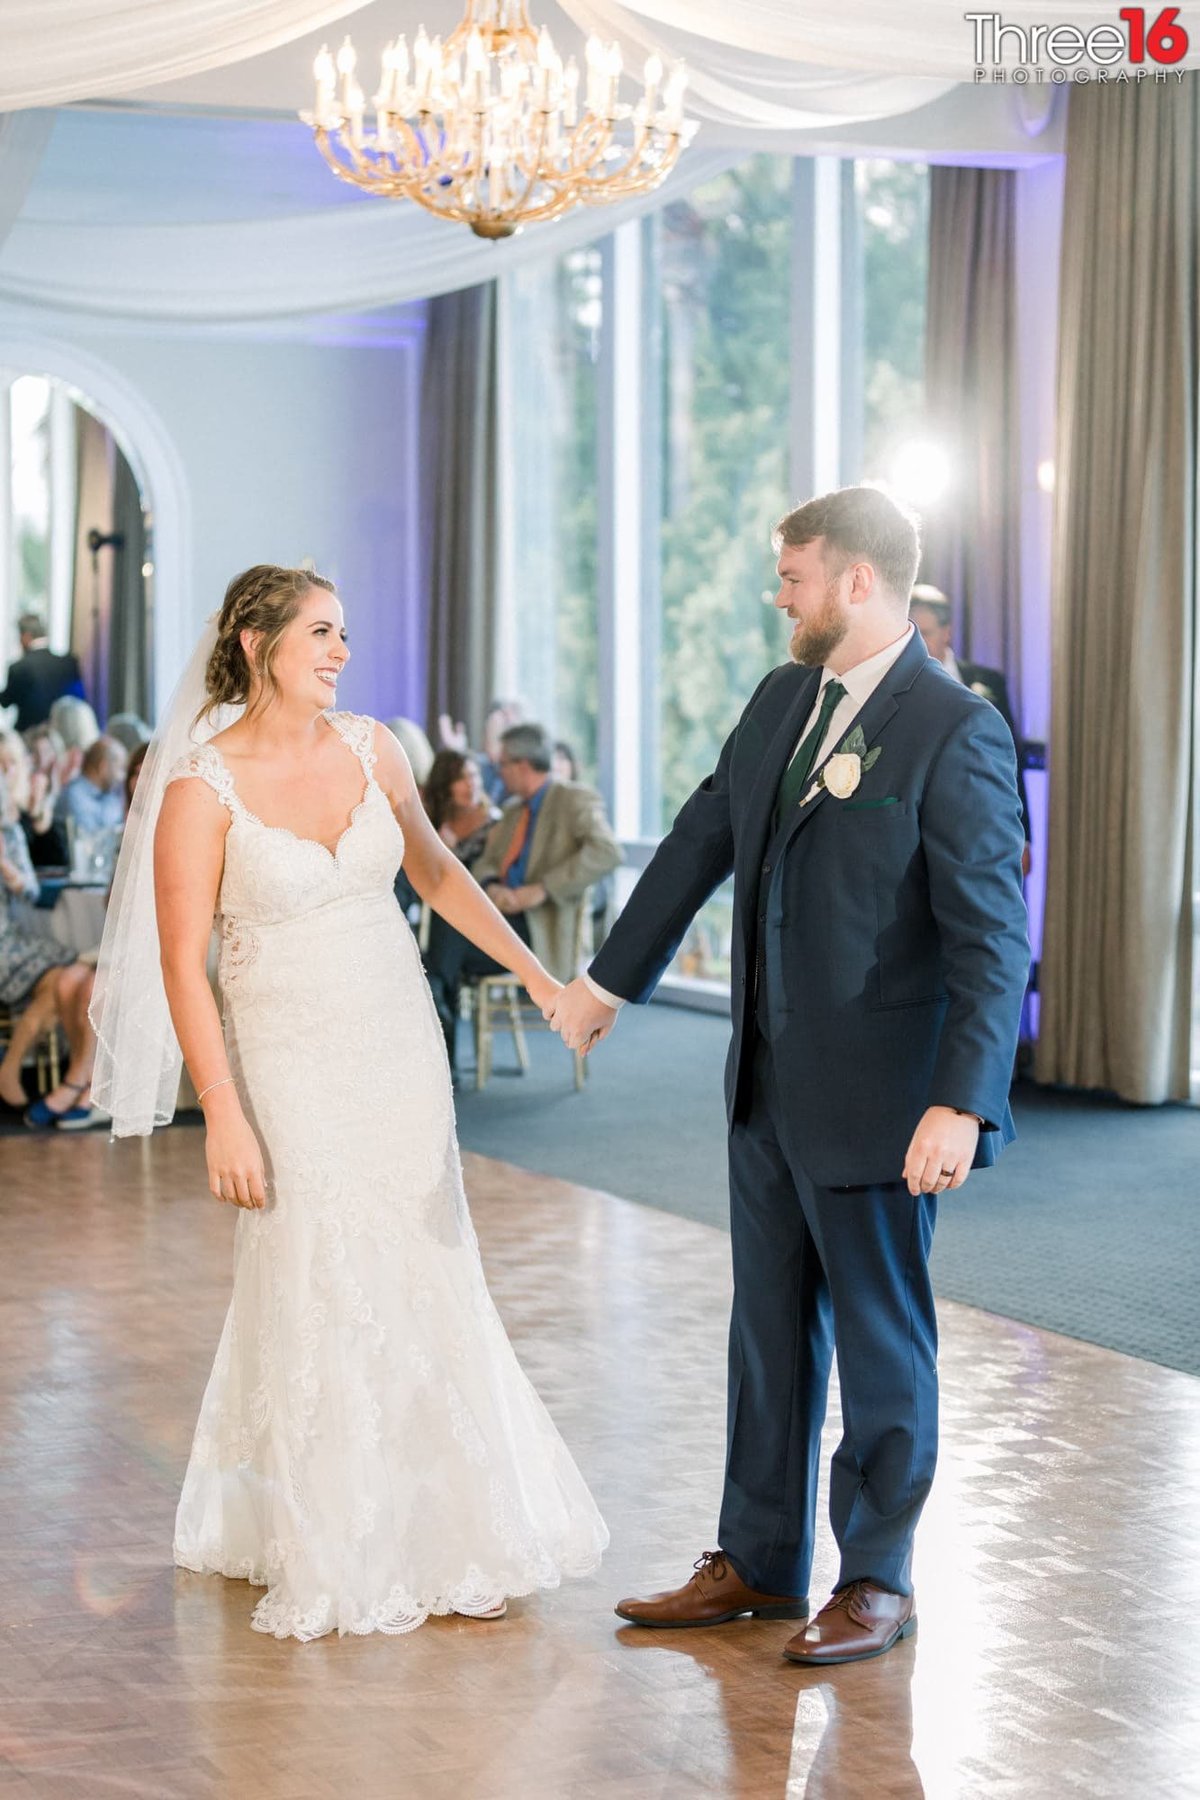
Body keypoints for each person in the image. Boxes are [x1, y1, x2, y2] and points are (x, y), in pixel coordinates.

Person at [549, 486, 1029, 1668]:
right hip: (762, 1089)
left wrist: (962, 1100)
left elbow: (991, 934)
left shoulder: (950, 727)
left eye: (794, 576)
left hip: (885, 1098)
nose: (781, 596)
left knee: (880, 1342)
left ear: (857, 583)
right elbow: (701, 838)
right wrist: (606, 986)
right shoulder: (781, 701)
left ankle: (877, 1578)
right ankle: (759, 1563)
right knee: (766, 1335)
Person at [89, 563, 607, 1641]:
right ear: (255, 645)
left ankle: (453, 1523)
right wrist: (222, 1110)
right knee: (318, 1261)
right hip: (288, 1061)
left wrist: (545, 981)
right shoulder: (200, 786)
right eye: (322, 633)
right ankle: (330, 1530)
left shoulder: (376, 748)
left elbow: (438, 877)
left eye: (344, 634)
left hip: (396, 1047)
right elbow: (185, 964)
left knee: (426, 1263)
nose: (342, 652)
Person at [424, 723, 621, 1074]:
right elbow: (485, 862)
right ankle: (439, 1022)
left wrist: (542, 889)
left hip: (537, 931)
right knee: (450, 933)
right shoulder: (513, 811)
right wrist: (493, 883)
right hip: (502, 921)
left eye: (501, 765)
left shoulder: (573, 799)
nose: (496, 773)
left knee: (446, 941)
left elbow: (608, 852)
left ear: (521, 765)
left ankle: (436, 1016)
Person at [0, 760, 100, 1128]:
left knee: (66, 973)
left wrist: (5, 866)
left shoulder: (7, 831)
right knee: (66, 973)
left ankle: (24, 1070)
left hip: (5, 941)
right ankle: (64, 1079)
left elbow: (31, 890)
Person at [909, 585, 1032, 873]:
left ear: (946, 632)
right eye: (910, 632)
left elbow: (1011, 762)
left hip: (983, 829)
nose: (916, 642)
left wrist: (1023, 836)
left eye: (924, 633)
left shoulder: (987, 683)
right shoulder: (896, 687)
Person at [0, 612, 85, 733]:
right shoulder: (69, 663)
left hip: (29, 737)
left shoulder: (19, 668)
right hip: (64, 733)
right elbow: (78, 700)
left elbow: (5, 702)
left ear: (26, 637)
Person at [424, 749, 499, 867]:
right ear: (444, 784)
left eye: (473, 775)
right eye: (460, 778)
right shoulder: (435, 818)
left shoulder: (494, 822)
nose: (470, 784)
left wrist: (450, 851)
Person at [54, 736, 127, 837]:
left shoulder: (108, 795)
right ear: (103, 767)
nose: (122, 777)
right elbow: (93, 842)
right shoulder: (75, 795)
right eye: (120, 769)